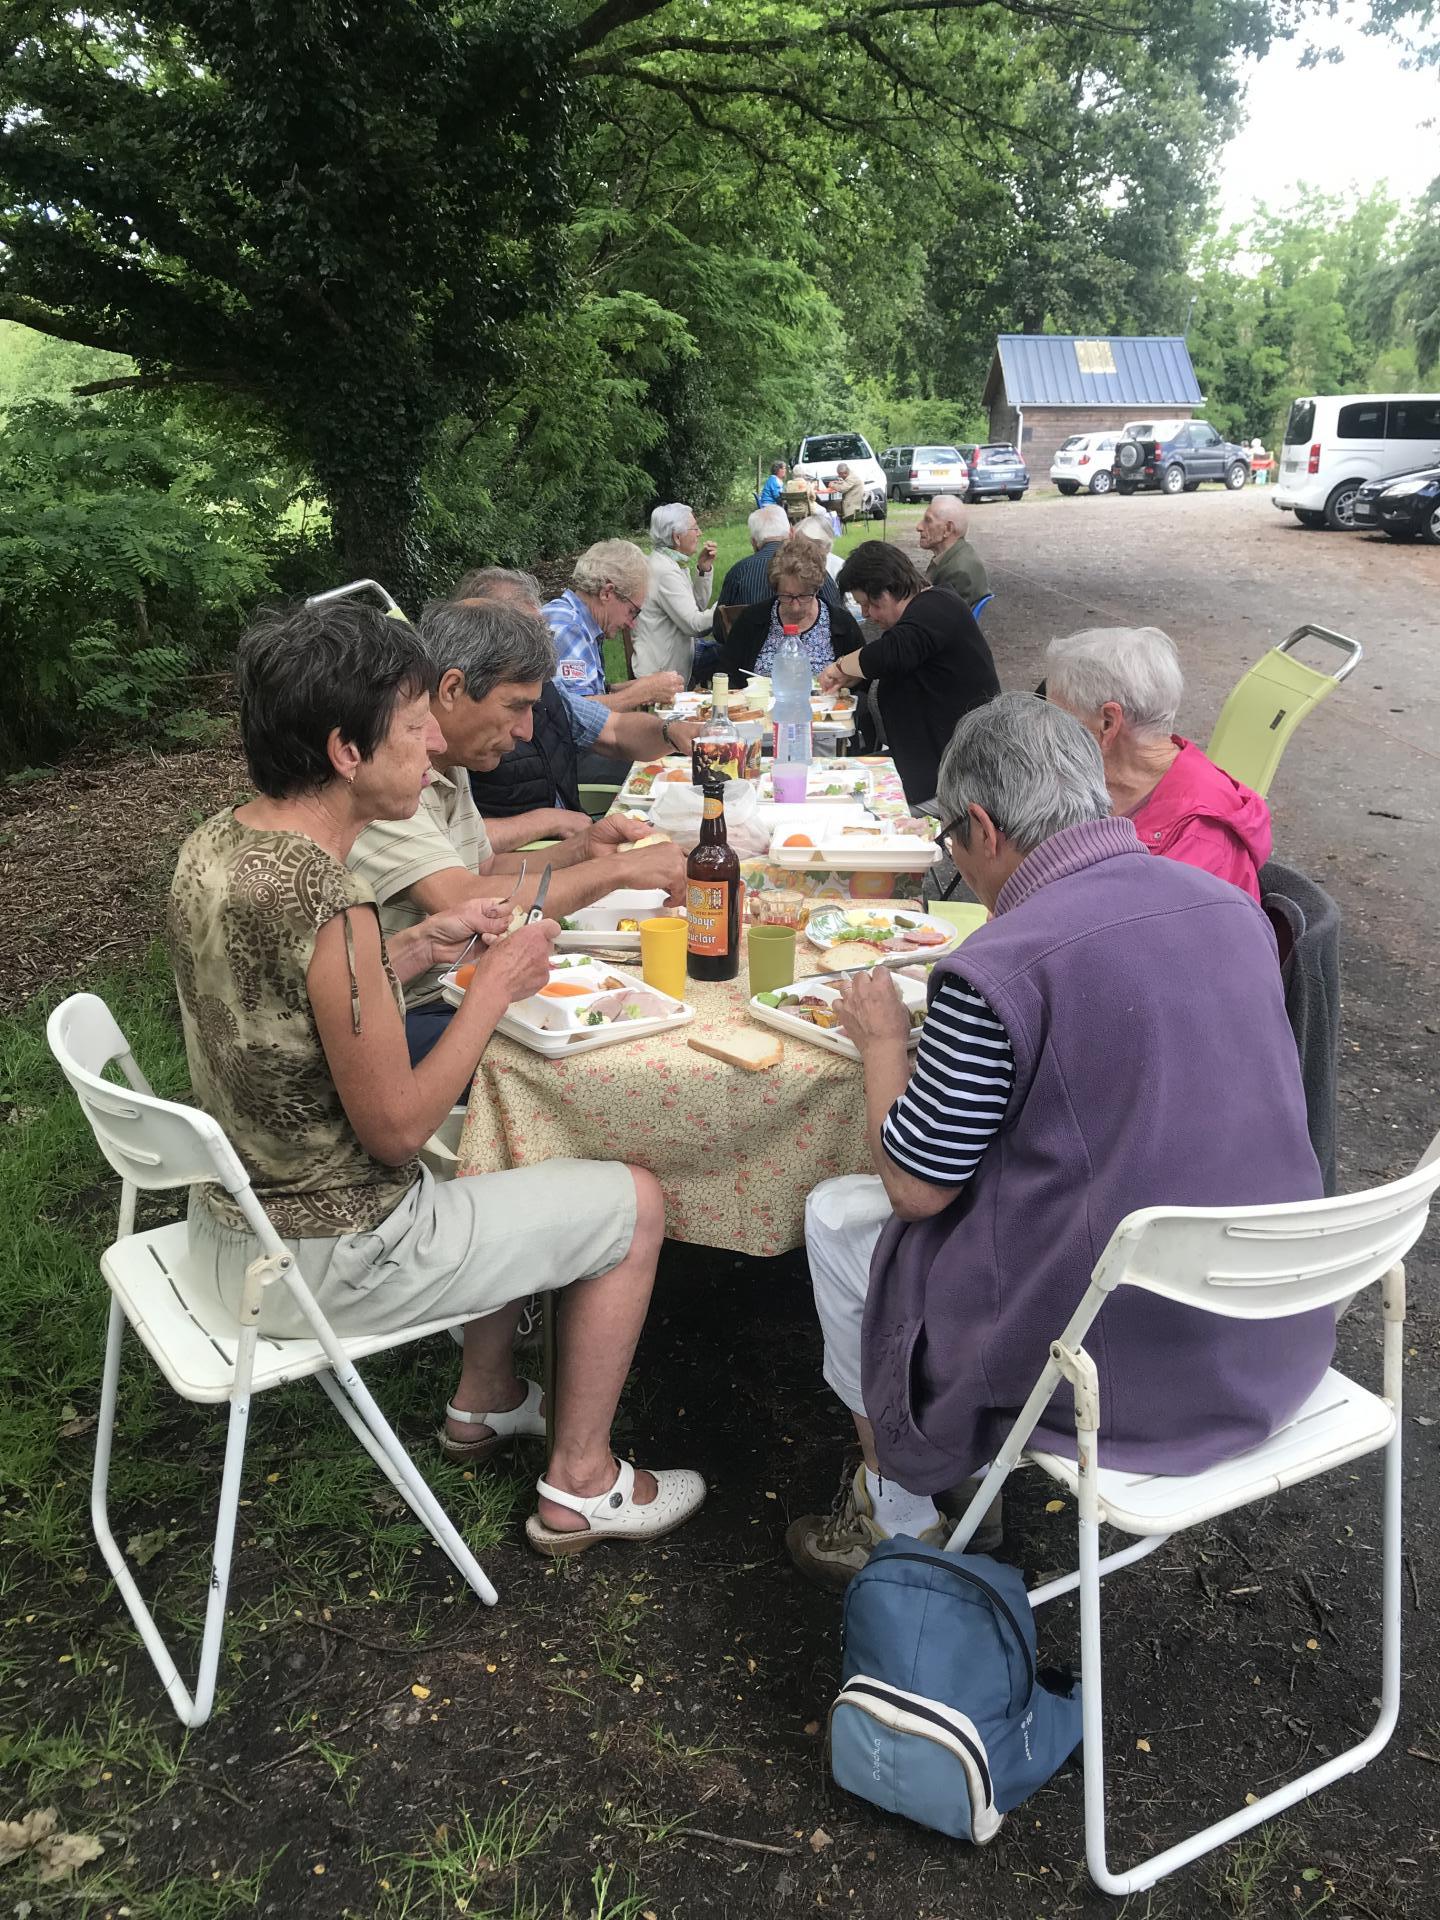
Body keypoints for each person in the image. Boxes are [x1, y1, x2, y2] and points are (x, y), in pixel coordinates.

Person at [170, 599, 705, 1555]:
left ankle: (491, 1395)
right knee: (635, 1202)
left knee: (510, 1138)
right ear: (345, 749)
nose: (430, 747)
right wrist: (494, 986)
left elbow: (287, 1007)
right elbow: (399, 1131)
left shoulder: (215, 847)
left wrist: (418, 945)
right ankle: (582, 1483)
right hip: (331, 1260)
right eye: (414, 728)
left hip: (223, 1233)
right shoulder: (326, 899)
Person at [788, 694, 1333, 1588]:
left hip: (1119, 1372)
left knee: (839, 1218)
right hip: (1278, 1327)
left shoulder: (998, 964)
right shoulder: (1232, 907)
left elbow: (917, 1189)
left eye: (953, 851)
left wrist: (885, 1045)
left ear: (983, 825)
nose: (960, 869)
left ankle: (901, 1508)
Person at [349, 598, 687, 1065]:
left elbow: (485, 866)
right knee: (619, 1052)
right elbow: (464, 898)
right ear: (450, 689)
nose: (527, 731)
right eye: (516, 706)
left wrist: (583, 849)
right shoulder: (389, 779)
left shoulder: (452, 760)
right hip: (413, 1011)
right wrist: (619, 872)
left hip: (456, 987)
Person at [1043, 626, 1271, 902]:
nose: (1047, 732)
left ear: (1108, 723)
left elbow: (1137, 939)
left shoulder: (1201, 840)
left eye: (1057, 718)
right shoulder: (1103, 781)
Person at [458, 568, 703, 823]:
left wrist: (670, 732)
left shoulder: (547, 689)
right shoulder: (441, 739)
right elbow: (473, 847)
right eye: (515, 706)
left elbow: (615, 730)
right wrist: (554, 825)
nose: (540, 649)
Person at [824, 541, 1000, 806]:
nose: (866, 614)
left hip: (954, 780)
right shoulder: (927, 611)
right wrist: (858, 674)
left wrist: (839, 667)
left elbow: (892, 651)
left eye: (867, 604)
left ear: (886, 590)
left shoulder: (937, 607)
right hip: (928, 766)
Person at [542, 539, 682, 709]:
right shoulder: (570, 628)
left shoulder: (576, 619)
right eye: (633, 611)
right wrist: (642, 692)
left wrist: (638, 687)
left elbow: (582, 695)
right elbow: (574, 715)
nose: (632, 624)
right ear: (607, 593)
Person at [714, 534, 864, 687]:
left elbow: (862, 683)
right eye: (786, 596)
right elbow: (726, 676)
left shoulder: (841, 624)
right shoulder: (752, 620)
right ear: (775, 589)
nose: (795, 606)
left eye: (804, 596)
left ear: (817, 590)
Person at [630, 504, 717, 682]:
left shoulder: (670, 561)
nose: (699, 533)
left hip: (678, 657)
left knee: (730, 652)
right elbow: (695, 625)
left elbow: (694, 608)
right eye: (695, 528)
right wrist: (725, 606)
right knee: (735, 654)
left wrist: (703, 570)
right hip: (663, 670)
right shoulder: (664, 571)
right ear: (677, 537)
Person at [718, 505, 838, 611]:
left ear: (754, 543)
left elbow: (720, 625)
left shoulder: (738, 572)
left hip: (749, 635)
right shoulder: (810, 565)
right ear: (791, 534)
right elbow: (836, 610)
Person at [916, 494, 989, 608]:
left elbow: (941, 620)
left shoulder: (959, 572)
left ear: (948, 529)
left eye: (928, 521)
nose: (919, 527)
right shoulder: (953, 555)